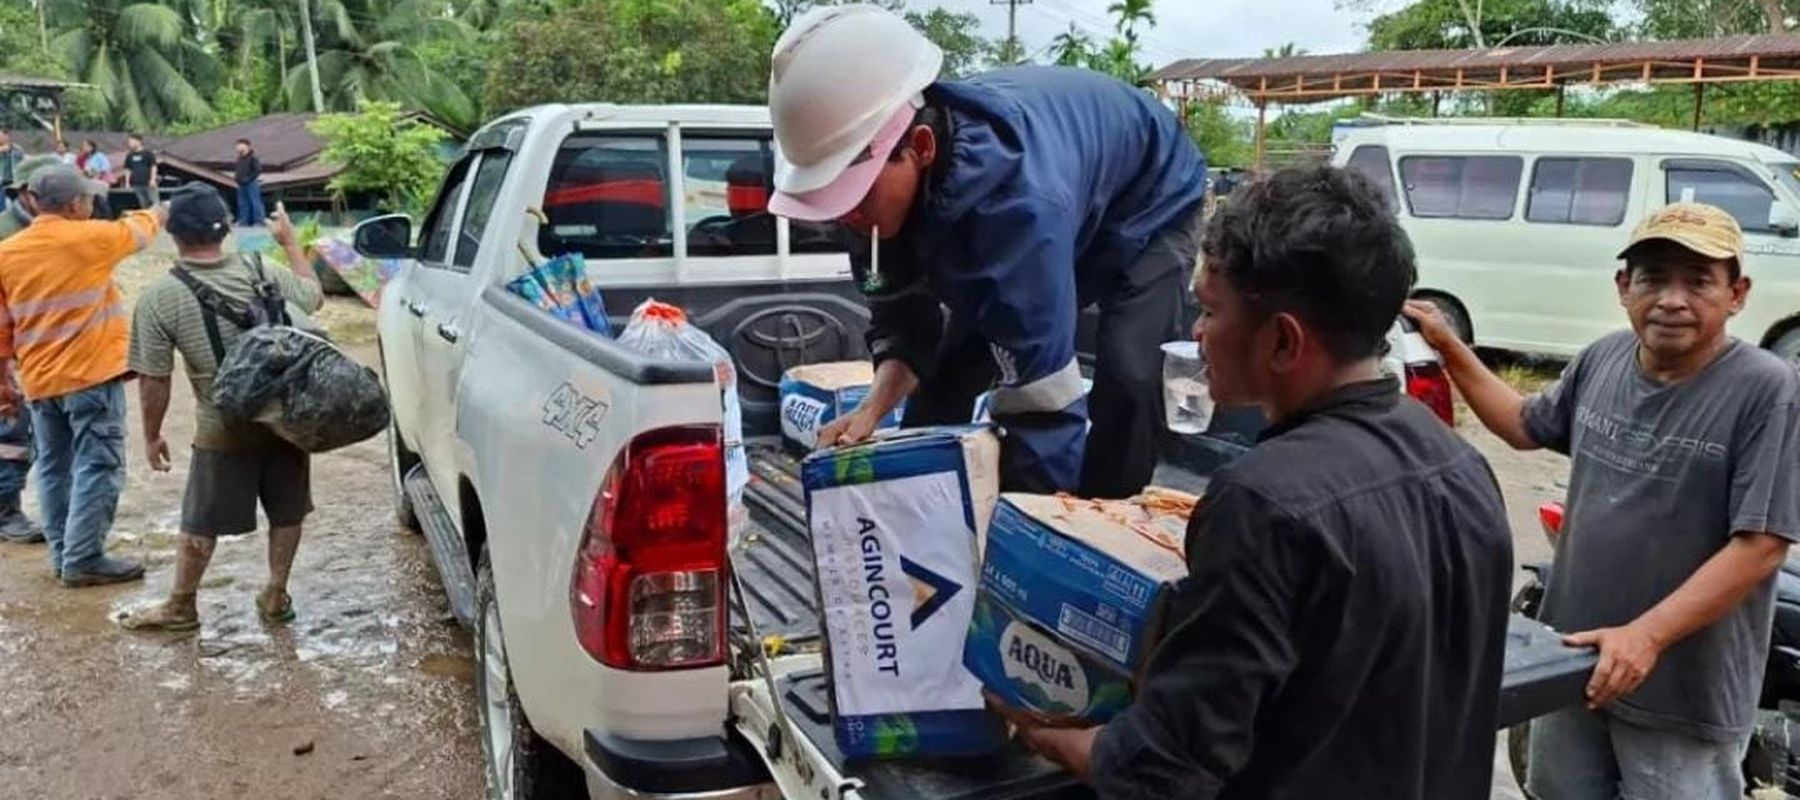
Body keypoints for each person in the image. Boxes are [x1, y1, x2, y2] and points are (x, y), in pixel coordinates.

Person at [992, 165, 1515, 798]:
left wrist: (1034, 726)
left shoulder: (1264, 502)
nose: (1197, 332)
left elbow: (1166, 766)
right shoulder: (1457, 461)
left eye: (1210, 310)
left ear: (1283, 342)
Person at [1406, 202, 1800, 800]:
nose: (1672, 299)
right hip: (1573, 663)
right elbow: (1521, 424)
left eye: (1698, 281)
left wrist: (1644, 637)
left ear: (1737, 294)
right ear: (1623, 287)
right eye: (1653, 278)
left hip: (1684, 695)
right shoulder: (1605, 358)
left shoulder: (1764, 391)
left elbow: (1761, 547)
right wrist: (1447, 344)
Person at [769, 4, 1208, 498]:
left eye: (857, 194)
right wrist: (872, 409)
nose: (846, 215)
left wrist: (1029, 533)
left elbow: (1045, 403)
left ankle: (1104, 525)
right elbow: (906, 326)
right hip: (1069, 193)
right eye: (835, 197)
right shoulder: (864, 203)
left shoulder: (1016, 212)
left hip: (1150, 199)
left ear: (921, 146)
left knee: (1128, 377)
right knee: (945, 379)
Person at [119, 187, 323, 631]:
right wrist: (289, 242)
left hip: (223, 425)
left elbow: (155, 378)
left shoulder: (160, 297)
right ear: (227, 227)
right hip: (287, 417)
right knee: (287, 510)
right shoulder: (260, 267)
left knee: (200, 519)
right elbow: (313, 296)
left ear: (172, 234)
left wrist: (152, 435)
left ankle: (181, 605)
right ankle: (275, 593)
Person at [0, 165, 165, 586]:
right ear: (77, 204)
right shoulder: (89, 238)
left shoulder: (7, 252)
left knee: (54, 469)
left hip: (38, 382)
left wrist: (5, 378)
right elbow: (141, 231)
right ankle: (85, 558)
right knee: (99, 464)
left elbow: (2, 328)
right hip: (90, 377)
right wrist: (162, 209)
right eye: (89, 199)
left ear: (34, 201)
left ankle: (64, 555)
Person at [0, 155, 62, 545]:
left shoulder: (49, 230)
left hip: (36, 347)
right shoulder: (8, 236)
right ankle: (6, 512)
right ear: (27, 193)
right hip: (12, 348)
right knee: (11, 433)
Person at [76, 139, 115, 221]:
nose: (84, 148)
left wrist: (95, 173)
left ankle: (109, 219)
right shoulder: (87, 159)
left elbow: (105, 168)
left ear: (91, 147)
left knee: (101, 201)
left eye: (85, 146)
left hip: (101, 181)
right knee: (94, 203)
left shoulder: (100, 156)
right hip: (91, 182)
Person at [233, 138, 266, 227]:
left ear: (247, 146)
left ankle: (259, 222)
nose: (238, 147)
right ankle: (244, 221)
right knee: (243, 203)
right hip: (240, 184)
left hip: (251, 183)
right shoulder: (239, 158)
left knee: (255, 202)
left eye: (240, 144)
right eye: (237, 145)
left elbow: (258, 170)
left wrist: (249, 178)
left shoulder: (253, 157)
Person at [123, 133, 158, 210]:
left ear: (138, 141)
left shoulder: (148, 153)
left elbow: (153, 167)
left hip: (148, 183)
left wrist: (152, 179)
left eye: (131, 142)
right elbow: (128, 169)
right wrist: (127, 182)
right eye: (129, 142)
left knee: (154, 203)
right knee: (143, 204)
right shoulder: (129, 155)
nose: (130, 144)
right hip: (137, 184)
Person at [0, 131, 23, 211]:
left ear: (6, 137)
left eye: (1, 135)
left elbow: (21, 160)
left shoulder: (17, 149)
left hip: (15, 180)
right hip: (2, 181)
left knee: (18, 203)